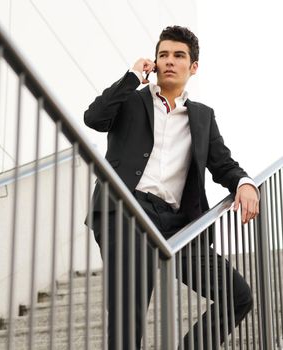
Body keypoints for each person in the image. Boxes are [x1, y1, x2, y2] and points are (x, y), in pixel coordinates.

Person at [84, 25, 259, 349]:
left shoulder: (203, 116)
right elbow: (94, 118)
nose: (169, 61)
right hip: (126, 210)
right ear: (154, 61)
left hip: (179, 223)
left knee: (238, 296)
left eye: (178, 55)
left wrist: (244, 184)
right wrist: (131, 77)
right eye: (163, 54)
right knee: (128, 313)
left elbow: (223, 164)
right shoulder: (132, 100)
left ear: (193, 67)